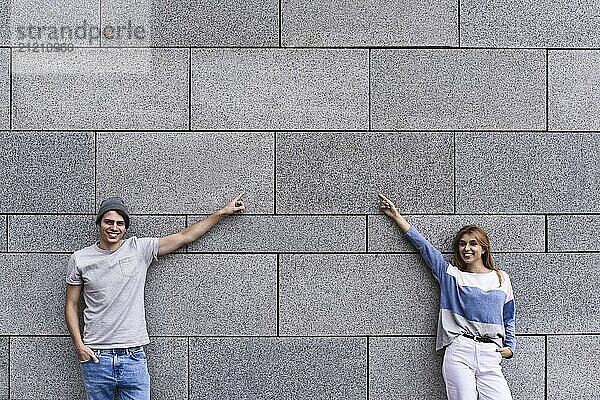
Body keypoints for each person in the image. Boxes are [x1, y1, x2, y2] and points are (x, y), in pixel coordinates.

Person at [64, 193, 246, 400]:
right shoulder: (80, 259)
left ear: (125, 227)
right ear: (99, 223)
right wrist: (79, 345)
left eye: (120, 223)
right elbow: (71, 303)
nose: (114, 227)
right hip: (97, 357)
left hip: (133, 356)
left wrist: (222, 212)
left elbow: (185, 237)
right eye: (108, 222)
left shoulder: (138, 249)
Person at [378, 194, 515, 400]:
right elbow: (425, 248)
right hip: (461, 350)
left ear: (483, 248)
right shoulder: (452, 276)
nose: (466, 249)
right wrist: (397, 217)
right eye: (462, 244)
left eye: (472, 244)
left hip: (491, 353)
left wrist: (510, 348)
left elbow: (509, 317)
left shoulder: (501, 278)